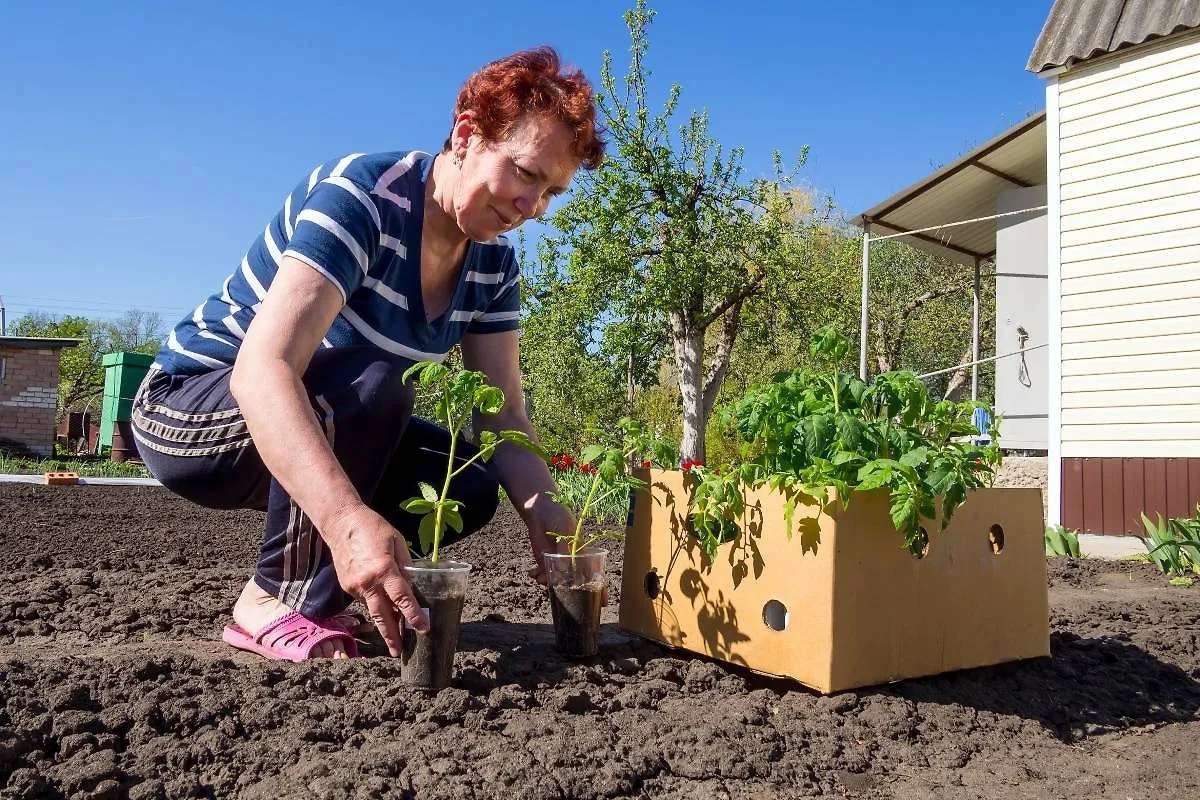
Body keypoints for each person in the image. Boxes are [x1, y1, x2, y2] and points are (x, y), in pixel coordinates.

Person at [130, 46, 605, 661]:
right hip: (193, 411)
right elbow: (262, 371)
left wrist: (547, 513)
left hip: (315, 413)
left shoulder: (493, 265)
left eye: (551, 193)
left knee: (466, 480)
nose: (531, 207)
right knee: (375, 383)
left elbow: (503, 417)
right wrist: (346, 521)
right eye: (524, 173)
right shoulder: (362, 199)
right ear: (466, 135)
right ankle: (273, 602)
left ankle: (349, 588)